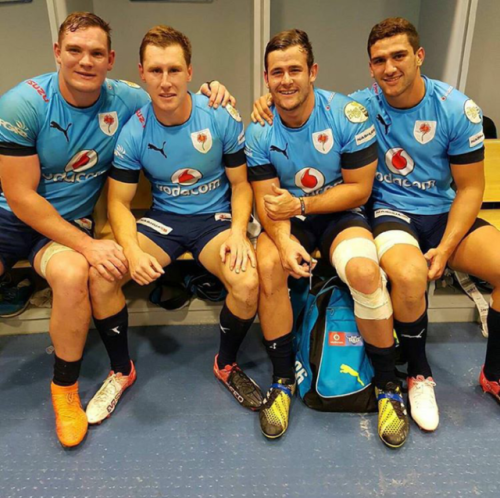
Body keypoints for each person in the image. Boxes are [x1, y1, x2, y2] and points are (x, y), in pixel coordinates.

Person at [252, 17, 499, 433]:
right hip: (393, 214)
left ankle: (488, 374)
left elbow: (471, 189)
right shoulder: (360, 105)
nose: (389, 68)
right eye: (379, 60)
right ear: (370, 67)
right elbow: (268, 183)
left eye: (399, 56)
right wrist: (265, 100)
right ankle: (294, 380)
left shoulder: (457, 109)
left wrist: (449, 244)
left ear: (419, 57)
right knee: (404, 273)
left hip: (441, 214)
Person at [0, 11, 232, 448]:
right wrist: (90, 243)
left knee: (74, 276)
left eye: (95, 53)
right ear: (57, 53)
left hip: (62, 228)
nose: (85, 62)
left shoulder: (125, 99)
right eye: (74, 51)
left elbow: (174, 96)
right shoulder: (23, 104)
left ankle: (65, 391)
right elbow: (20, 198)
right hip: (10, 217)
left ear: (111, 60)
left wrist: (213, 91)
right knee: (85, 260)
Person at [86, 25, 262, 427]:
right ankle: (120, 371)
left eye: (174, 70)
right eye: (156, 71)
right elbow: (118, 202)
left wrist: (238, 232)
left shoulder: (219, 115)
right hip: (163, 221)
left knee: (247, 282)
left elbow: (240, 185)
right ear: (142, 73)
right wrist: (130, 251)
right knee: (103, 276)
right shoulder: (133, 131)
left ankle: (226, 363)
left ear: (190, 72)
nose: (166, 82)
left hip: (215, 221)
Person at [245, 29, 409, 447]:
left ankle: (389, 387)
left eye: (295, 69)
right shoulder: (260, 129)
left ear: (312, 71)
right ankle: (282, 381)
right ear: (266, 78)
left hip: (338, 212)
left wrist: (301, 206)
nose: (286, 80)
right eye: (277, 72)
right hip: (285, 218)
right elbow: (266, 202)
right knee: (268, 265)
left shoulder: (346, 114)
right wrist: (283, 242)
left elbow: (359, 190)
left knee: (365, 273)